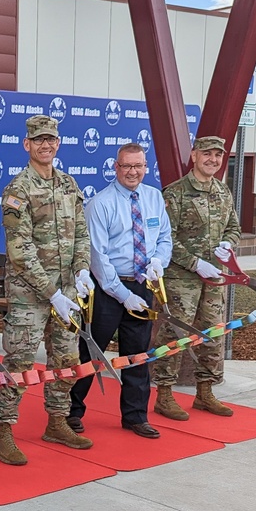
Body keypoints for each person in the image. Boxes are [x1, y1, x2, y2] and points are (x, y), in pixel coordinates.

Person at [0, 115, 94, 466]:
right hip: (30, 295)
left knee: (67, 360)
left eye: (51, 139)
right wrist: (52, 293)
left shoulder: (68, 184)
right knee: (19, 362)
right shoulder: (18, 190)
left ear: (58, 143)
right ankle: (3, 433)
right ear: (27, 145)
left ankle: (57, 422)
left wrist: (81, 270)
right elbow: (20, 251)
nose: (46, 145)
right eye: (39, 140)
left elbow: (81, 231)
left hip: (66, 293)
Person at [68, 143, 172, 439]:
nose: (132, 172)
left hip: (143, 284)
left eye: (138, 166)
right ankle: (71, 413)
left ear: (145, 167)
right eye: (126, 166)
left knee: (138, 355)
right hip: (107, 290)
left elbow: (164, 237)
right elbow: (98, 257)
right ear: (116, 167)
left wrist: (158, 262)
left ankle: (135, 416)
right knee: (90, 353)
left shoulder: (154, 198)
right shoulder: (101, 203)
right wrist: (123, 296)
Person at [152, 135, 241, 419]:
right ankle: (164, 395)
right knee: (175, 334)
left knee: (213, 333)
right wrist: (195, 263)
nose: (213, 159)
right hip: (181, 279)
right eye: (207, 154)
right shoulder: (175, 193)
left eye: (218, 155)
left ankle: (205, 392)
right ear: (194, 155)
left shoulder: (223, 192)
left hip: (215, 278)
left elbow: (234, 227)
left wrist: (229, 244)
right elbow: (165, 239)